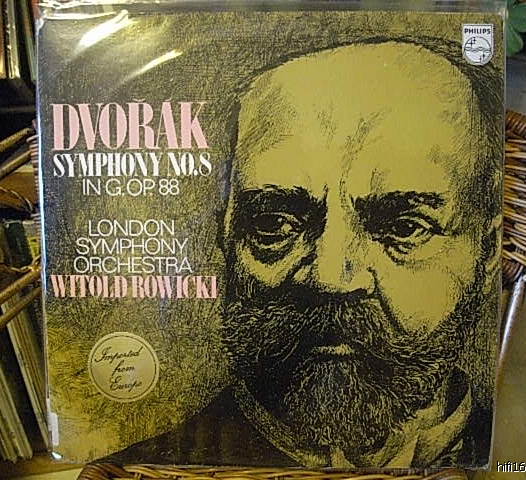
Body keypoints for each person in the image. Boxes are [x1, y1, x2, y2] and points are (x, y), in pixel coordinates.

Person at [107, 37, 502, 468]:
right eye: (274, 225)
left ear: (488, 250)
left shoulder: (517, 453)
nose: (331, 277)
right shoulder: (143, 469)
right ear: (226, 236)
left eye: (404, 227)